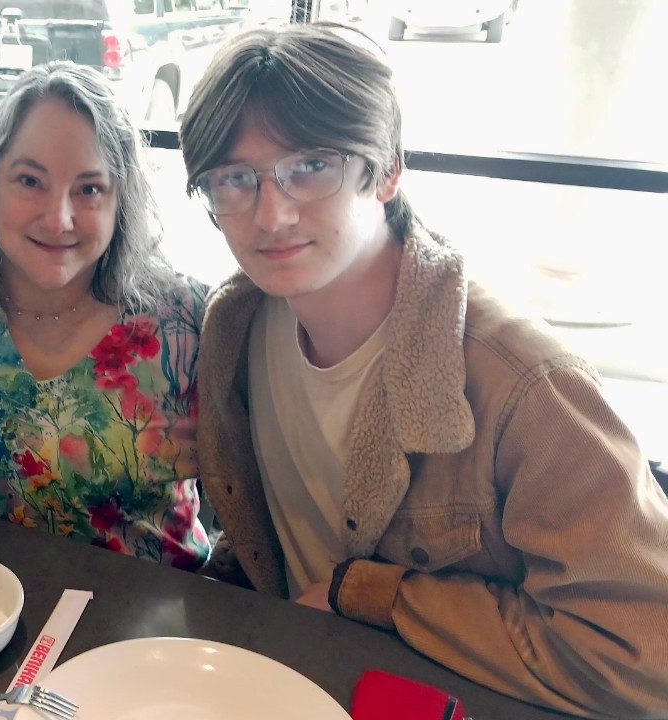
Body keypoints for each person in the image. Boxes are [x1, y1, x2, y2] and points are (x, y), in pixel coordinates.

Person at [179, 22, 668, 718]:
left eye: (311, 165)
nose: (272, 213)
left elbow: (646, 653)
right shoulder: (235, 324)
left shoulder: (524, 384)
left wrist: (373, 594)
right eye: (235, 179)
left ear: (386, 170)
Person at [0, 62, 210, 569]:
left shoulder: (186, 321)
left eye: (89, 189)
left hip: (149, 625)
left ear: (122, 201)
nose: (59, 218)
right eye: (30, 181)